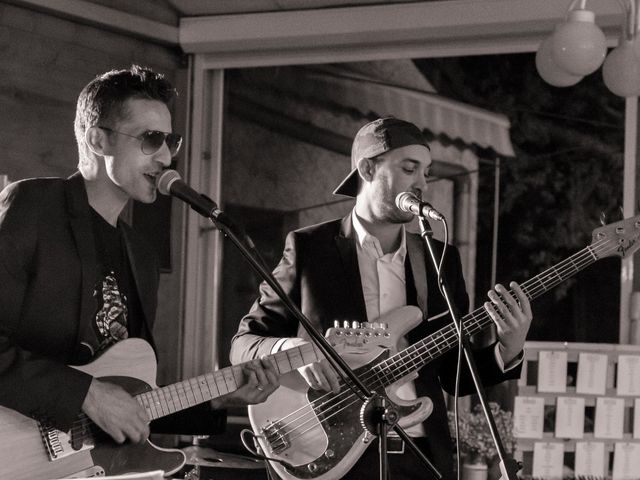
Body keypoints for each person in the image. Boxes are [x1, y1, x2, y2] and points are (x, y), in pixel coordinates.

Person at [230, 117, 533, 479]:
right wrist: (294, 353)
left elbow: (454, 375)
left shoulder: (439, 259)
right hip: (331, 446)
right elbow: (244, 344)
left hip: (419, 452)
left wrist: (507, 348)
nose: (422, 183)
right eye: (410, 168)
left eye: (426, 171)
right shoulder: (310, 248)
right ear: (367, 168)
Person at [0, 65, 279, 447]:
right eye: (151, 139)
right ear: (99, 140)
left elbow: (133, 401)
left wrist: (220, 398)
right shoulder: (33, 206)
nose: (166, 156)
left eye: (170, 141)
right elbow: (98, 397)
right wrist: (86, 393)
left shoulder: (140, 257)